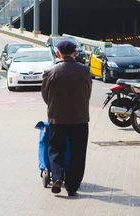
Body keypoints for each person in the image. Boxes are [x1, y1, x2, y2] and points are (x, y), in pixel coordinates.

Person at [41, 40, 92, 197]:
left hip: (57, 118)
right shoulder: (85, 70)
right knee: (78, 153)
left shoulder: (49, 71)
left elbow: (45, 95)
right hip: (80, 119)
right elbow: (88, 93)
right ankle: (72, 186)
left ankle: (57, 177)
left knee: (55, 149)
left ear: (58, 53)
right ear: (75, 53)